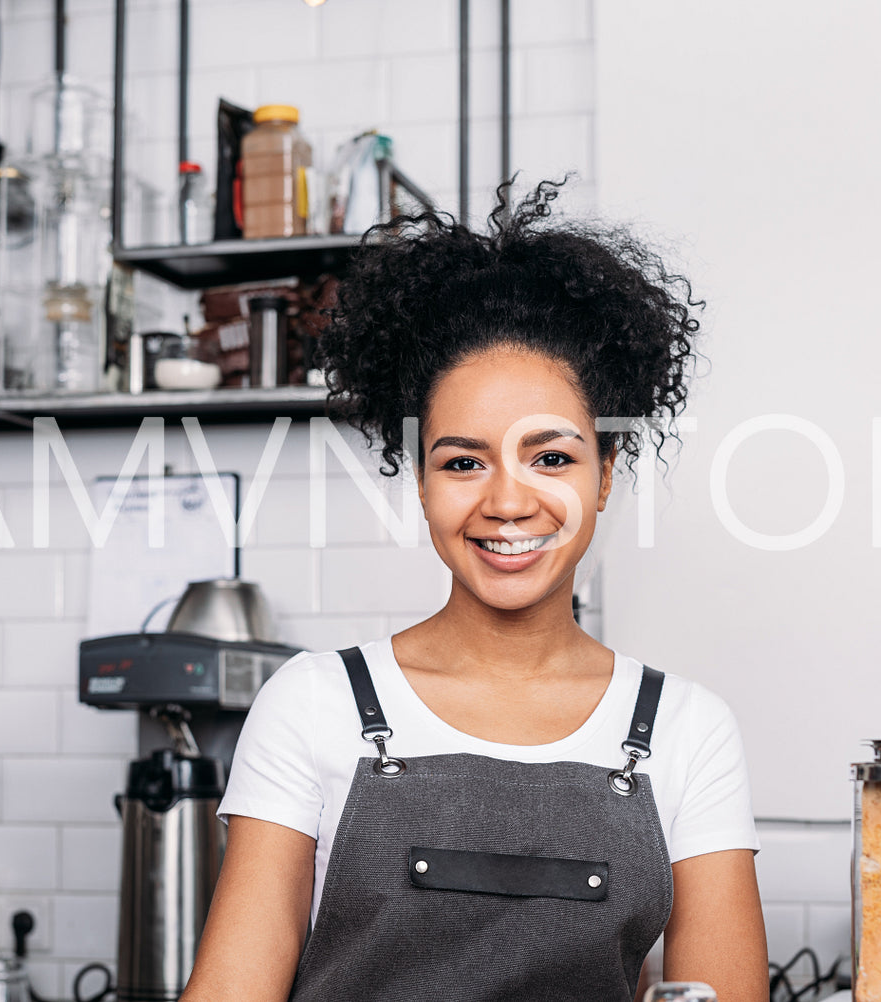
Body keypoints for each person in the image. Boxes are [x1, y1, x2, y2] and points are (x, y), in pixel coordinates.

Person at [182, 181, 769, 1002]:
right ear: (420, 483)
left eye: (553, 458)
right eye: (462, 462)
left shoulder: (683, 730)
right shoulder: (316, 704)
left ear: (605, 477)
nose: (506, 501)